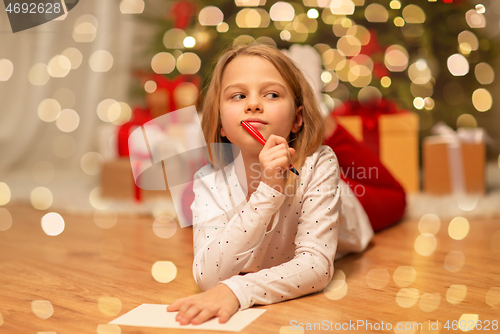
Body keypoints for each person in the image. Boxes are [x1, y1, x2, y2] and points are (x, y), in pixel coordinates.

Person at [166, 43, 377, 325]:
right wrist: (268, 191)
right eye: (239, 95)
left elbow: (316, 265)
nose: (253, 105)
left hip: (351, 213)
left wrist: (237, 290)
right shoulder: (208, 180)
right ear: (220, 125)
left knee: (394, 197)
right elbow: (207, 275)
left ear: (297, 119)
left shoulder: (320, 163)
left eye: (272, 94)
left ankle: (324, 112)